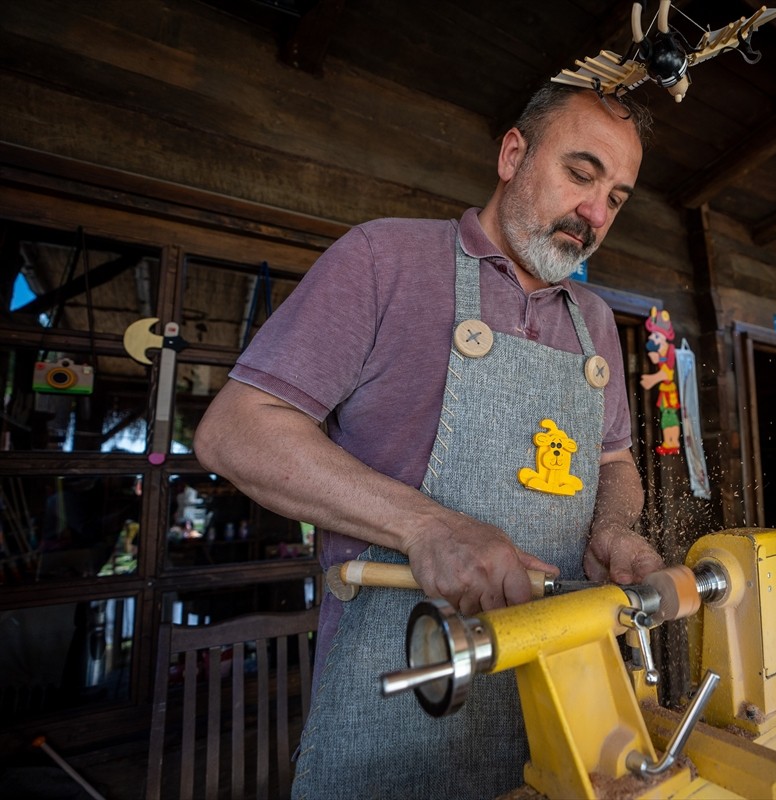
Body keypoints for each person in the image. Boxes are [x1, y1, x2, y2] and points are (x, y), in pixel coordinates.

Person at [193, 83, 664, 799]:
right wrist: (427, 526)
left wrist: (614, 526)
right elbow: (236, 430)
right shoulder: (385, 258)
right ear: (513, 154)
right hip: (405, 677)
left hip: (565, 685)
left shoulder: (594, 321)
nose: (596, 215)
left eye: (618, 198)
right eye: (580, 174)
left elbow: (614, 462)